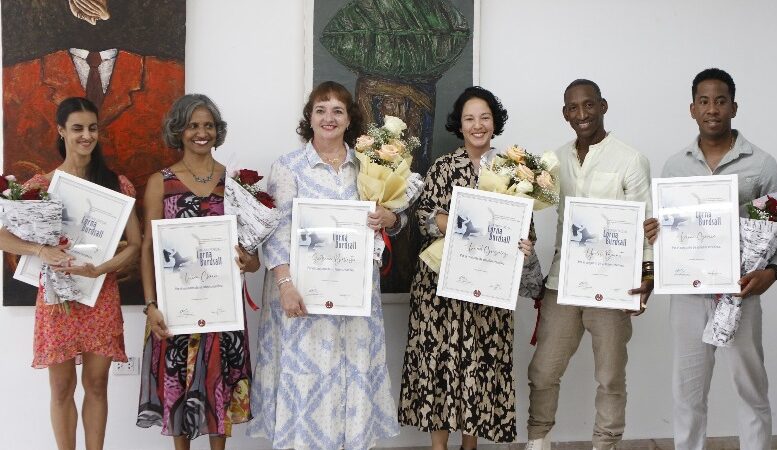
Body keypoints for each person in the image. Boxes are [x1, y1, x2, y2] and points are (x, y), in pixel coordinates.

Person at [643, 68, 777, 450]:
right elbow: (668, 229)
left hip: (741, 292)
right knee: (687, 394)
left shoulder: (761, 164)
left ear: (734, 107)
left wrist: (772, 272)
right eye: (704, 101)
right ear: (693, 109)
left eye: (721, 101)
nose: (713, 109)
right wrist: (656, 233)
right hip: (688, 297)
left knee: (751, 389)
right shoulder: (675, 166)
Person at [247, 81, 402, 450]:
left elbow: (393, 219)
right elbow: (277, 233)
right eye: (320, 110)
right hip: (301, 295)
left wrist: (391, 218)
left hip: (355, 298)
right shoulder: (288, 167)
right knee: (307, 378)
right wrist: (285, 285)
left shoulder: (369, 166)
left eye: (337, 111)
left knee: (352, 372)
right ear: (310, 117)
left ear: (349, 119)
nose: (328, 118)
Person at [397, 86, 540, 450]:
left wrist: (525, 243)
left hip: (489, 290)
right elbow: (424, 218)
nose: (478, 125)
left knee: (479, 365)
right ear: (459, 125)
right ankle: (438, 447)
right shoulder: (444, 166)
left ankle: (470, 445)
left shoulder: (513, 171)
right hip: (439, 290)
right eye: (470, 118)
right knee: (439, 366)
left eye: (485, 118)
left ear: (495, 123)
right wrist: (460, 221)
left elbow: (525, 226)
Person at [0, 96, 141, 450]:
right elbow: (3, 235)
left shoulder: (117, 185)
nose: (86, 136)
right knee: (61, 387)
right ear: (61, 131)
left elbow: (136, 245)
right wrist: (40, 250)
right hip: (55, 298)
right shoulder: (41, 186)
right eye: (77, 128)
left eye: (92, 128)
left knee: (97, 384)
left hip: (99, 293)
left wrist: (100, 269)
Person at [526, 79, 653, 450]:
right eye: (573, 107)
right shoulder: (554, 161)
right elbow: (528, 204)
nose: (581, 113)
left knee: (610, 376)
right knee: (543, 371)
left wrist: (648, 274)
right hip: (562, 282)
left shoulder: (630, 159)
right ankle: (538, 440)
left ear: (603, 106)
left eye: (589, 104)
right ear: (565, 113)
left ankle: (605, 444)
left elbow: (646, 223)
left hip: (613, 285)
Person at [136, 94, 260, 450]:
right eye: (193, 125)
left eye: (208, 125)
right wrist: (150, 305)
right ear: (179, 130)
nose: (201, 133)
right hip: (176, 307)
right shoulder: (160, 182)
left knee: (220, 385)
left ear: (217, 131)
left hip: (223, 307)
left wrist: (249, 262)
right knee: (177, 383)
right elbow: (148, 248)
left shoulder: (235, 182)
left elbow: (253, 257)